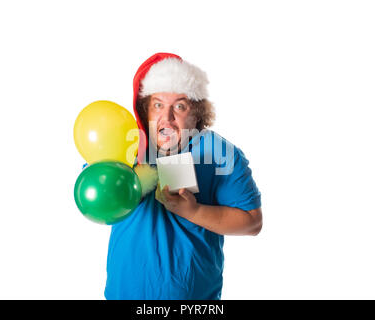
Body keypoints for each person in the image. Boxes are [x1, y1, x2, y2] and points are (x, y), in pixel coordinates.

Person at [104, 52, 262, 300]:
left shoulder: (219, 152)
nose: (167, 118)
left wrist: (194, 211)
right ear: (145, 110)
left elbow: (252, 222)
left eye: (179, 106)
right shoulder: (122, 146)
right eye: (158, 105)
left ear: (196, 113)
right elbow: (95, 198)